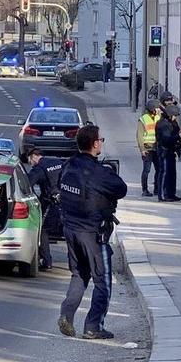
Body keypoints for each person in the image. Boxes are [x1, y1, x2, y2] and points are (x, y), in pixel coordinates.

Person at [57, 125, 128, 340]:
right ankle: (93, 326)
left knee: (79, 274)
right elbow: (121, 188)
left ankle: (66, 315)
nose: (102, 143)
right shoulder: (99, 172)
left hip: (70, 230)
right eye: (101, 140)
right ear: (95, 144)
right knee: (102, 280)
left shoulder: (69, 165)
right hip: (93, 234)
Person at [24, 146, 63, 271]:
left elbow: (27, 185)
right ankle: (76, 264)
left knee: (42, 230)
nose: (30, 163)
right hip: (68, 202)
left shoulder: (39, 169)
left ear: (33, 156)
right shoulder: (57, 162)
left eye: (29, 160)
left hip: (51, 204)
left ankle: (47, 261)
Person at [156, 104, 181, 201]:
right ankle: (163, 194)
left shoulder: (172, 123)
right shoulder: (163, 124)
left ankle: (171, 193)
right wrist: (179, 136)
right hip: (164, 151)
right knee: (164, 172)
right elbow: (166, 139)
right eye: (174, 115)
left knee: (172, 173)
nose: (176, 117)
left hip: (171, 150)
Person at [137, 101, 162, 197]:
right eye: (156, 108)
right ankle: (145, 189)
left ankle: (157, 188)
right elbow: (139, 135)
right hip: (147, 148)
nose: (158, 109)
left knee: (159, 169)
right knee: (146, 170)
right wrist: (142, 149)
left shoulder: (158, 117)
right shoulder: (143, 119)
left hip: (157, 147)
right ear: (152, 109)